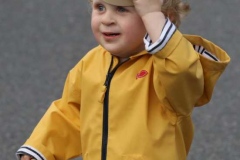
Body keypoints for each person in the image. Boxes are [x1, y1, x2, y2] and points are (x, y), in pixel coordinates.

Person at [16, 0, 230, 160]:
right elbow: (71, 112)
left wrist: (154, 16)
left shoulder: (168, 70)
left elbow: (182, 70)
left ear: (164, 19)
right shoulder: (91, 62)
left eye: (122, 9)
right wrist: (40, 149)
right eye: (100, 7)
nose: (107, 19)